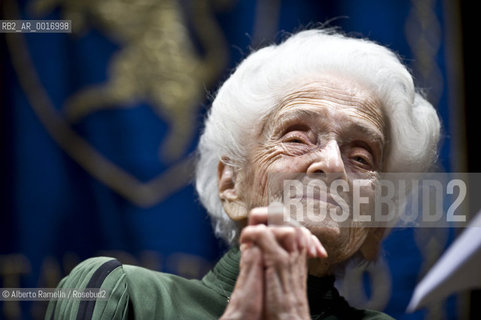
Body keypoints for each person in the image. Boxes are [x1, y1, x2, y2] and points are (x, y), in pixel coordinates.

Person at [45, 29, 441, 319]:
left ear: (374, 230)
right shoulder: (121, 296)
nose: (333, 164)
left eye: (361, 156)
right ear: (231, 184)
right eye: (298, 137)